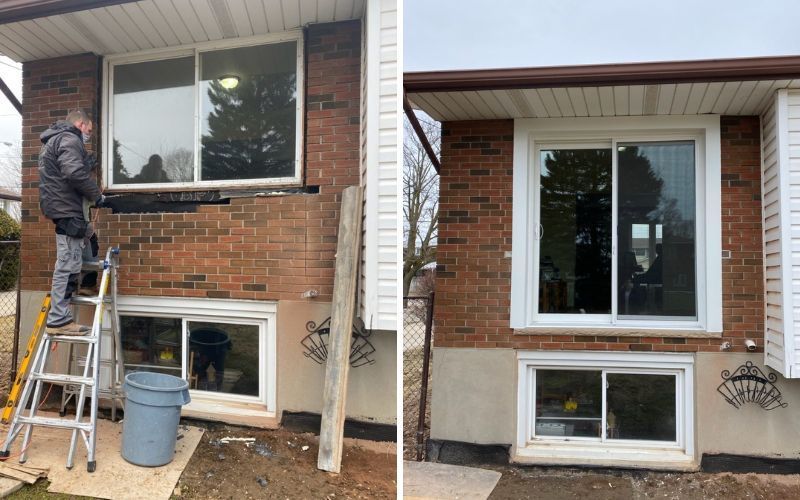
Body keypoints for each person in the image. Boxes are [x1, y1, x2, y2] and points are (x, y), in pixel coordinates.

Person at [38, 109, 105, 335]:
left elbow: (68, 170)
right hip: (67, 210)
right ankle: (59, 319)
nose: (88, 134)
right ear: (79, 124)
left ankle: (86, 286)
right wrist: (97, 195)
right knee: (67, 264)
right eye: (88, 129)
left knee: (88, 238)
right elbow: (73, 173)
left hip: (63, 208)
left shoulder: (55, 140)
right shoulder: (69, 138)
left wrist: (86, 164)